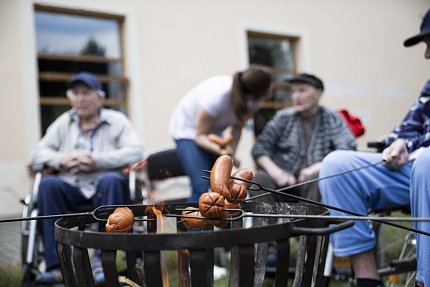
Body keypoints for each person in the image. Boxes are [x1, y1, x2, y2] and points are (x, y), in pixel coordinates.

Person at [319, 9, 430, 287]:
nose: (427, 55)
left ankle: (425, 280)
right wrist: (401, 143)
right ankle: (367, 279)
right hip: (416, 172)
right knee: (336, 164)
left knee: (427, 162)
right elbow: (409, 128)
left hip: (426, 168)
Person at [31, 71, 144, 284]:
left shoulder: (117, 120)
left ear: (99, 97)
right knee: (47, 185)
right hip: (71, 187)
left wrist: (97, 161)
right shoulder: (63, 123)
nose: (80, 98)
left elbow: (136, 151)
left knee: (111, 179)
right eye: (76, 93)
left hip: (106, 188)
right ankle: (57, 267)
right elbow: (38, 153)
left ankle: (102, 261)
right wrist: (63, 159)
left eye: (86, 93)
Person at [169, 66, 272, 203]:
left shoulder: (252, 102)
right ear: (251, 95)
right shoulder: (217, 96)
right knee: (201, 186)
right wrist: (221, 151)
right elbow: (200, 135)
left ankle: (224, 222)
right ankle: (194, 223)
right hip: (188, 132)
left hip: (213, 134)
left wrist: (232, 155)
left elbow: (237, 128)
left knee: (222, 188)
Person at [251, 73, 356, 202]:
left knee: (318, 176)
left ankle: (307, 222)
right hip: (283, 182)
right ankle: (264, 223)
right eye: (293, 91)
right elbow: (259, 148)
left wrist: (316, 167)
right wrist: (277, 173)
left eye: (302, 90)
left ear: (318, 94)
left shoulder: (332, 119)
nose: (296, 96)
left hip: (313, 183)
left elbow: (347, 148)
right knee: (260, 178)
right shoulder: (283, 117)